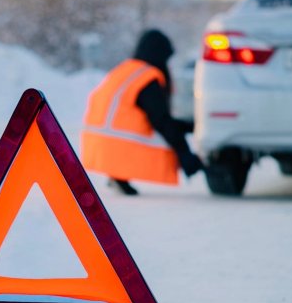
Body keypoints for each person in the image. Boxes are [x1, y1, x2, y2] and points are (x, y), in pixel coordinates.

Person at [81, 29, 205, 195]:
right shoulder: (147, 79)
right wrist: (185, 154)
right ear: (160, 55)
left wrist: (189, 127)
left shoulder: (124, 70)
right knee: (167, 132)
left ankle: (118, 175)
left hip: (96, 147)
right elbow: (161, 121)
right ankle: (119, 174)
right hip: (118, 146)